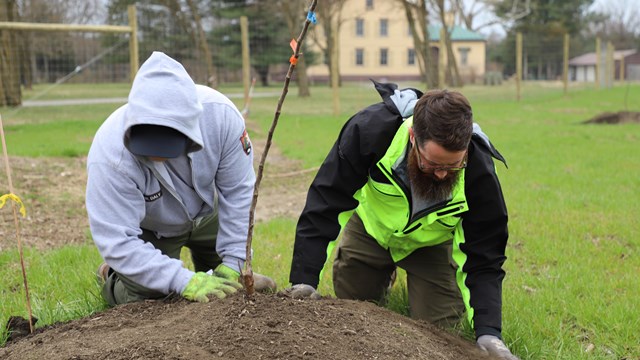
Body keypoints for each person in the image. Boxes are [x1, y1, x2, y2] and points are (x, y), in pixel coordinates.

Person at [285, 81, 518, 359]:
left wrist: (489, 332)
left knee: (439, 335)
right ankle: (381, 271)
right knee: (352, 310)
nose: (442, 174)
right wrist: (304, 280)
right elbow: (325, 204)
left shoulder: (478, 169)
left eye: (453, 165)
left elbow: (485, 255)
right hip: (373, 230)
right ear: (412, 138)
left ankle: (422, 280)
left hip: (431, 244)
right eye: (432, 164)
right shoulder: (369, 132)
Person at [87, 51, 275, 306]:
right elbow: (118, 241)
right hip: (152, 226)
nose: (158, 153)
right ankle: (110, 275)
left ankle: (219, 269)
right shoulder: (110, 155)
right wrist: (181, 280)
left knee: (230, 289)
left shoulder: (221, 118)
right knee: (151, 297)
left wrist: (234, 263)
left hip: (207, 212)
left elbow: (239, 192)